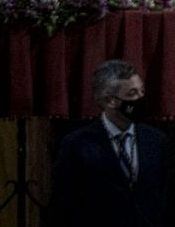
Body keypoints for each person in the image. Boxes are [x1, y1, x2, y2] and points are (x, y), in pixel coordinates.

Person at [48, 59, 167, 227]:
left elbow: (162, 197)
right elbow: (62, 205)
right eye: (132, 94)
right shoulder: (77, 144)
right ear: (109, 101)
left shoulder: (155, 140)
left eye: (142, 91)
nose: (141, 99)